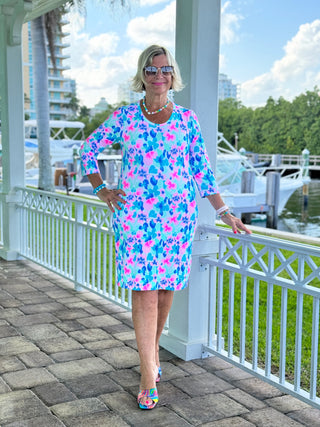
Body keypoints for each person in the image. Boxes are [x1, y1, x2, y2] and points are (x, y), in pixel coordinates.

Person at [79, 44, 251, 410]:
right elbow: (88, 149)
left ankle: (152, 353)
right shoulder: (125, 117)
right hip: (136, 218)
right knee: (144, 292)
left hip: (177, 219)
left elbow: (203, 172)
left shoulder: (187, 120)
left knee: (166, 290)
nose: (160, 76)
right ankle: (147, 374)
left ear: (173, 77)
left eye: (166, 70)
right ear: (142, 77)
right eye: (152, 70)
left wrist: (225, 213)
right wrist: (101, 189)